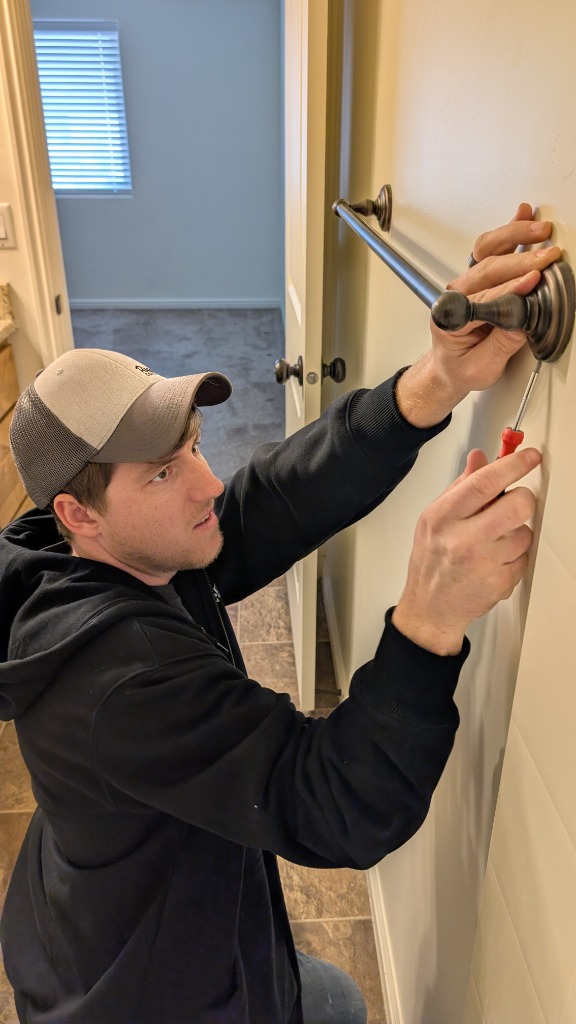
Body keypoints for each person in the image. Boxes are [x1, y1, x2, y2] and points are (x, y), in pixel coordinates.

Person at [0, 205, 559, 1024]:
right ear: (79, 512)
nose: (206, 483)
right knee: (338, 1006)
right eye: (162, 472)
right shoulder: (122, 682)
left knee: (328, 999)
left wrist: (434, 381)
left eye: (192, 443)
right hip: (144, 995)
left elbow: (273, 498)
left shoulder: (92, 545)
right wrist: (429, 619)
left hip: (110, 910)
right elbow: (328, 802)